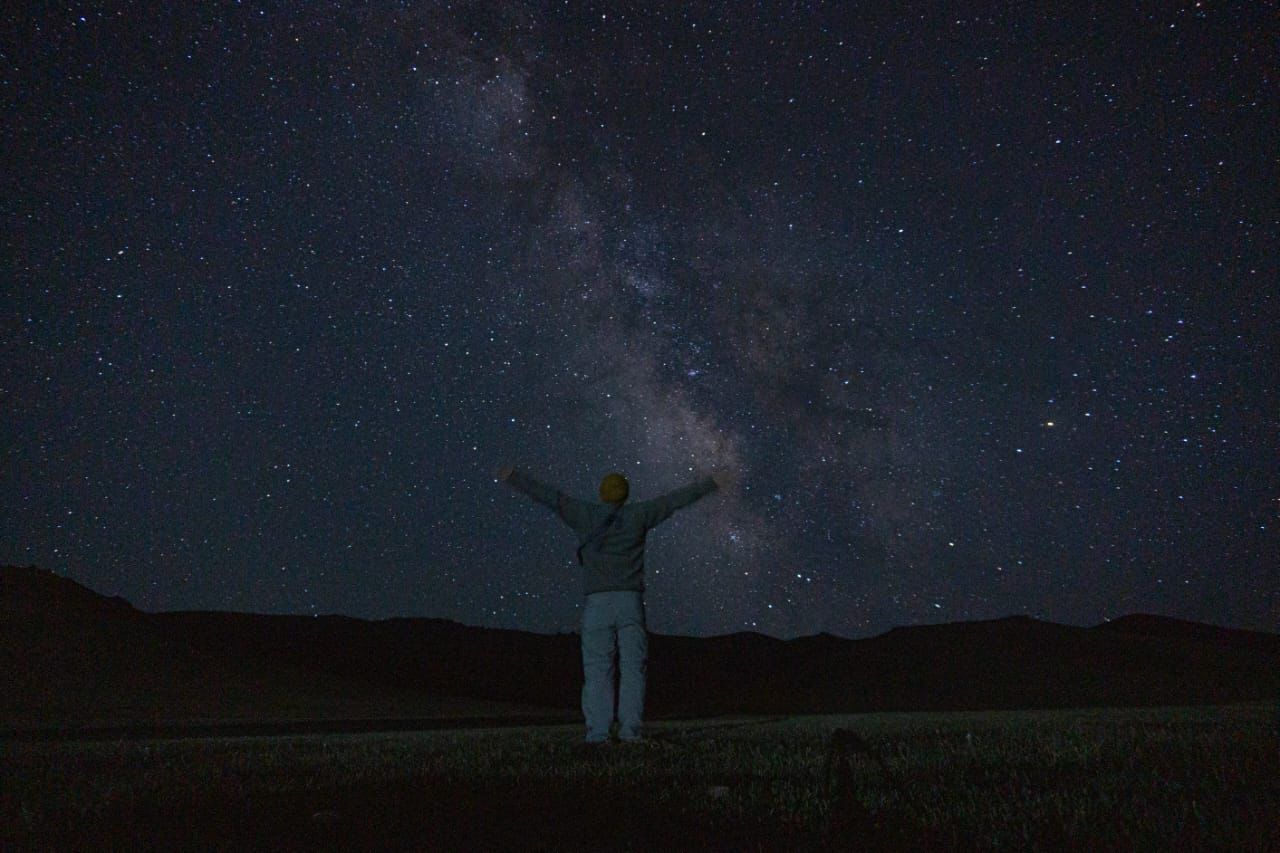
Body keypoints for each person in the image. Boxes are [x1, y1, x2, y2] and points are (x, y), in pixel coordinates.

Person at [495, 464, 720, 744]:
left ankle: (598, 733)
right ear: (625, 495)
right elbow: (673, 500)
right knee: (633, 669)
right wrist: (711, 483)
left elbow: (551, 497)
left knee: (597, 669)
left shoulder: (584, 514)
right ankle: (630, 731)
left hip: (597, 603)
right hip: (630, 602)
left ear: (602, 494)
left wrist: (514, 478)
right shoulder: (640, 515)